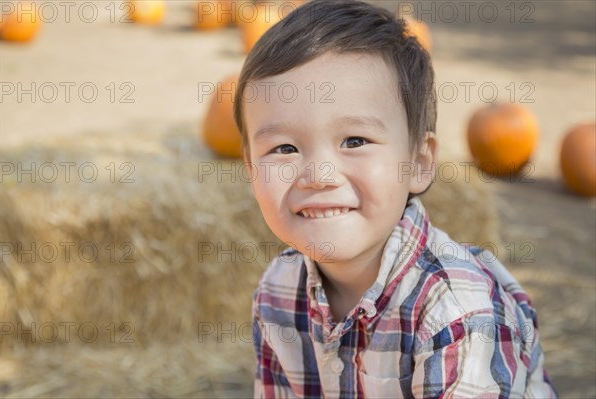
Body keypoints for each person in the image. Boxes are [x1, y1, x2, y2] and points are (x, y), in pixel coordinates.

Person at [233, 0, 558, 397]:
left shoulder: (456, 311)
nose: (318, 176)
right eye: (284, 148)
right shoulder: (278, 290)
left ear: (418, 163)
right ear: (250, 169)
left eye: (355, 141)